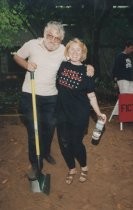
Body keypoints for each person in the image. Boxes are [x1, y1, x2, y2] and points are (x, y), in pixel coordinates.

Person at [13, 21, 95, 179]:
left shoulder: (64, 50)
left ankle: (45, 152)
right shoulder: (32, 44)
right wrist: (26, 64)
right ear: (44, 34)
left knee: (50, 128)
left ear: (61, 40)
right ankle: (36, 164)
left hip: (52, 96)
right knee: (34, 131)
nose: (52, 40)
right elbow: (17, 56)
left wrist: (89, 67)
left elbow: (76, 59)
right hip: (30, 94)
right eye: (50, 36)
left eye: (57, 38)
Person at [56, 38, 106, 184]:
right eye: (72, 49)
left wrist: (98, 113)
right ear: (67, 52)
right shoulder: (62, 65)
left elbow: (91, 95)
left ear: (83, 53)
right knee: (64, 142)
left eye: (78, 50)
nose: (75, 52)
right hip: (62, 112)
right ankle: (72, 168)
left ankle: (84, 167)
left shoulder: (87, 71)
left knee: (76, 143)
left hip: (79, 114)